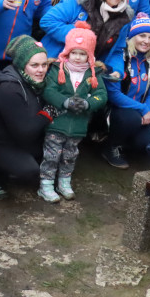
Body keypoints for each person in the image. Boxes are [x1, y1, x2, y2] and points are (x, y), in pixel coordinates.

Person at [0, 35, 52, 198]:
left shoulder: (36, 82)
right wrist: (47, 114)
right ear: (22, 65)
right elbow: (25, 131)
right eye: (34, 65)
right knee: (29, 171)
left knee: (55, 152)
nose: (41, 70)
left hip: (17, 139)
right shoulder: (9, 89)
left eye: (44, 65)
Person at [38, 23, 107, 202]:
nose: (77, 57)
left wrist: (87, 103)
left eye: (82, 53)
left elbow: (102, 95)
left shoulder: (94, 73)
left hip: (78, 125)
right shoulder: (57, 69)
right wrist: (64, 101)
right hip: (56, 123)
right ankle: (45, 184)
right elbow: (48, 91)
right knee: (52, 155)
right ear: (67, 52)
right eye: (74, 52)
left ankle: (64, 182)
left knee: (70, 155)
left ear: (89, 55)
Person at [104, 14, 150, 168]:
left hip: (137, 111)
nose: (146, 41)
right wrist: (142, 109)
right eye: (141, 35)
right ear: (132, 36)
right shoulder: (120, 57)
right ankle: (110, 147)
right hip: (116, 110)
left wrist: (148, 111)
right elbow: (113, 95)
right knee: (130, 119)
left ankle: (124, 143)